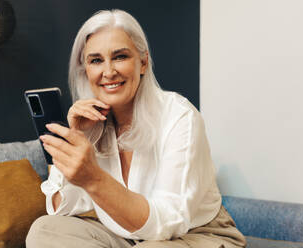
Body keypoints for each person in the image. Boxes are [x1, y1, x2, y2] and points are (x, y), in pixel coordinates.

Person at [26, 9, 246, 248]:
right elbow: (64, 206)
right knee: (45, 229)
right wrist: (77, 138)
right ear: (85, 70)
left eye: (120, 56)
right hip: (126, 235)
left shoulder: (179, 116)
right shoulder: (93, 123)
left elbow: (168, 221)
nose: (108, 72)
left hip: (195, 235)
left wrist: (94, 178)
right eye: (96, 60)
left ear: (143, 62)